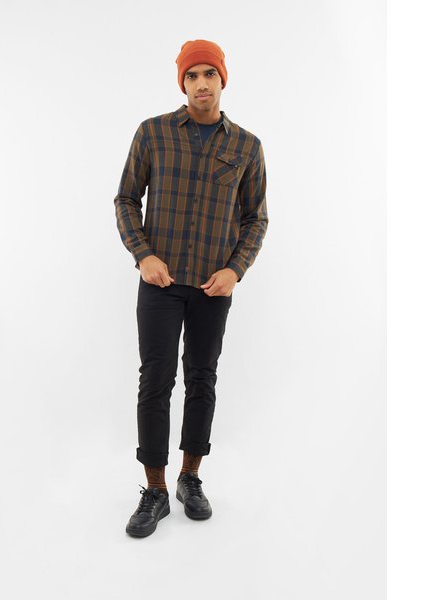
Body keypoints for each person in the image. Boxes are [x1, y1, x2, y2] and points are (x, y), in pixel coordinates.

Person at [114, 39, 269, 538]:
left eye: (210, 74)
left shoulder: (246, 146)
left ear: (223, 79)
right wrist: (144, 255)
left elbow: (256, 218)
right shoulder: (153, 133)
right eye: (192, 75)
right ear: (182, 82)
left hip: (212, 286)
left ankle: (189, 478)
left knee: (202, 379)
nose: (202, 83)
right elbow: (126, 199)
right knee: (155, 381)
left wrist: (235, 270)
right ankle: (155, 490)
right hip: (159, 281)